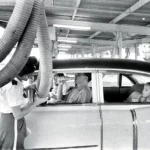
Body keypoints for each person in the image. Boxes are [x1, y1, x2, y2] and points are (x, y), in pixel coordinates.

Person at [0, 56, 48, 150]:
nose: (30, 76)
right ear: (25, 74)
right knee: (14, 147)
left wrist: (26, 88)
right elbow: (18, 114)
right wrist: (36, 102)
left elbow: (9, 98)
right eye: (30, 75)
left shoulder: (11, 80)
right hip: (12, 121)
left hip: (7, 119)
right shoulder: (14, 86)